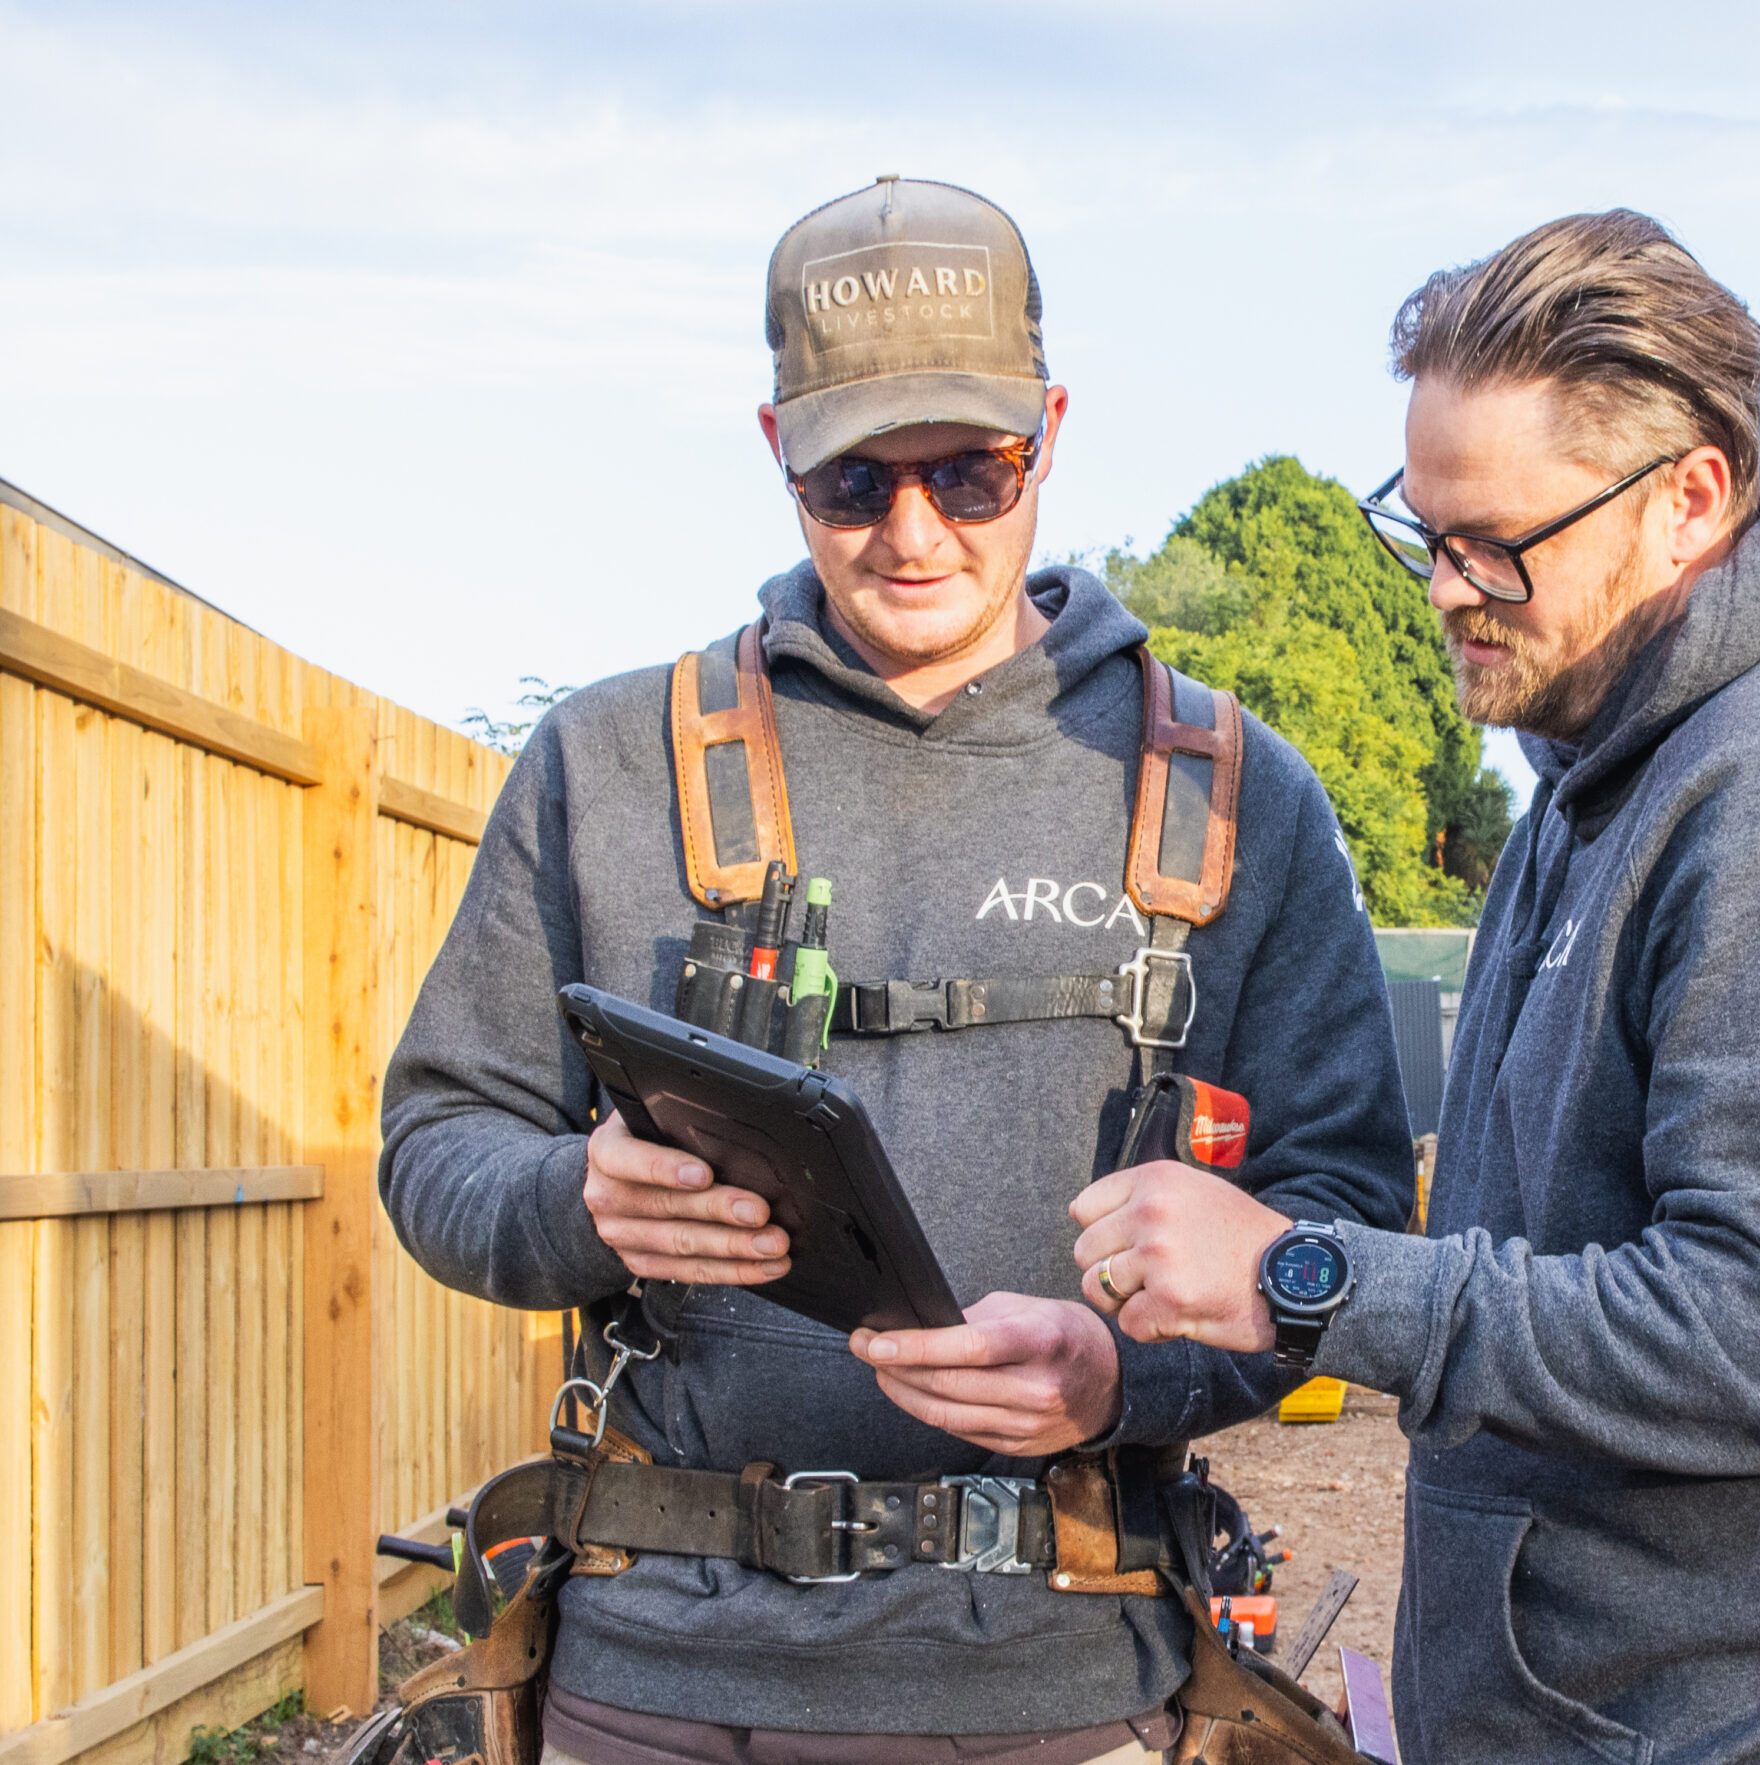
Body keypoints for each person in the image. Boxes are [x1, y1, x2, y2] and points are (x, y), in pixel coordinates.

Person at [379, 177, 1413, 1765]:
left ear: (1051, 431)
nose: (914, 531)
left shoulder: (1233, 793)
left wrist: (1125, 1379)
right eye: (855, 478)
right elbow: (437, 1145)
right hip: (656, 1690)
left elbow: (1336, 1223)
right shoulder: (606, 763)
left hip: (1067, 1694)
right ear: (776, 445)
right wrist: (572, 1199)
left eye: (971, 471)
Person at [1070, 210, 1760, 1763]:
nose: (1444, 590)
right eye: (1427, 530)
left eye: (1498, 544)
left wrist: (1307, 1272)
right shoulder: (1595, 769)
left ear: (1686, 502)